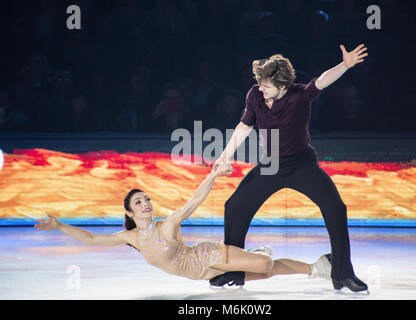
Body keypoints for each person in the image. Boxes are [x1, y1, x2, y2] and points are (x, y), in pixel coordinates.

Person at [210, 45, 369, 292]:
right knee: (234, 207)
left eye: (266, 85)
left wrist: (346, 65)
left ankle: (342, 273)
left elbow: (322, 81)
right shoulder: (254, 95)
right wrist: (224, 157)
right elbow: (244, 126)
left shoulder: (299, 95)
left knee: (336, 208)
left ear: (283, 86)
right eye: (260, 83)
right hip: (271, 164)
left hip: (301, 164)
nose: (261, 88)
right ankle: (233, 270)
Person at [34, 162, 332, 283]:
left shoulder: (167, 224)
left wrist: (213, 175)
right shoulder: (132, 238)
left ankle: (259, 253)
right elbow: (91, 239)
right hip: (203, 275)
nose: (145, 203)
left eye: (146, 199)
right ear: (129, 212)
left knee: (264, 266)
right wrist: (59, 226)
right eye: (138, 202)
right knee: (263, 274)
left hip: (208, 255)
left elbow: (193, 202)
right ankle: (314, 269)